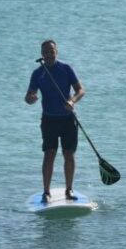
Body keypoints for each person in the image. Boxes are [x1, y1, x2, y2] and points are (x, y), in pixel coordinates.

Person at [24, 40, 85, 203]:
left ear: (56, 52)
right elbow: (29, 96)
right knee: (49, 154)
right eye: (45, 52)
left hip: (68, 119)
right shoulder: (38, 73)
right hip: (49, 119)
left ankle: (69, 189)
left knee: (68, 154)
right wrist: (31, 98)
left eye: (51, 51)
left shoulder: (66, 69)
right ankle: (46, 192)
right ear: (41, 54)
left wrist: (72, 101)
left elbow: (80, 90)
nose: (48, 54)